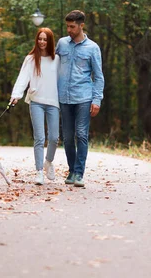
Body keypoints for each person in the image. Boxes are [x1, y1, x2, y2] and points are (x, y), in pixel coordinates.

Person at [56, 10, 104, 187]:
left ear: (81, 25)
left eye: (72, 26)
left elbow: (98, 76)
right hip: (64, 97)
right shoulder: (61, 44)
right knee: (68, 137)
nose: (69, 29)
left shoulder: (92, 48)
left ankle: (79, 173)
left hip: (84, 97)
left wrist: (97, 100)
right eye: (67, 26)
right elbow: (50, 64)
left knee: (81, 135)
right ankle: (71, 170)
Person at [10, 28, 60, 185]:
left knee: (54, 138)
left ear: (50, 41)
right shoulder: (31, 59)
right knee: (39, 138)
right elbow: (22, 78)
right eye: (40, 39)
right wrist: (16, 95)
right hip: (36, 101)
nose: (42, 42)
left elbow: (62, 80)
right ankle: (39, 172)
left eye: (45, 39)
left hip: (53, 102)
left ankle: (48, 162)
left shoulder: (57, 59)